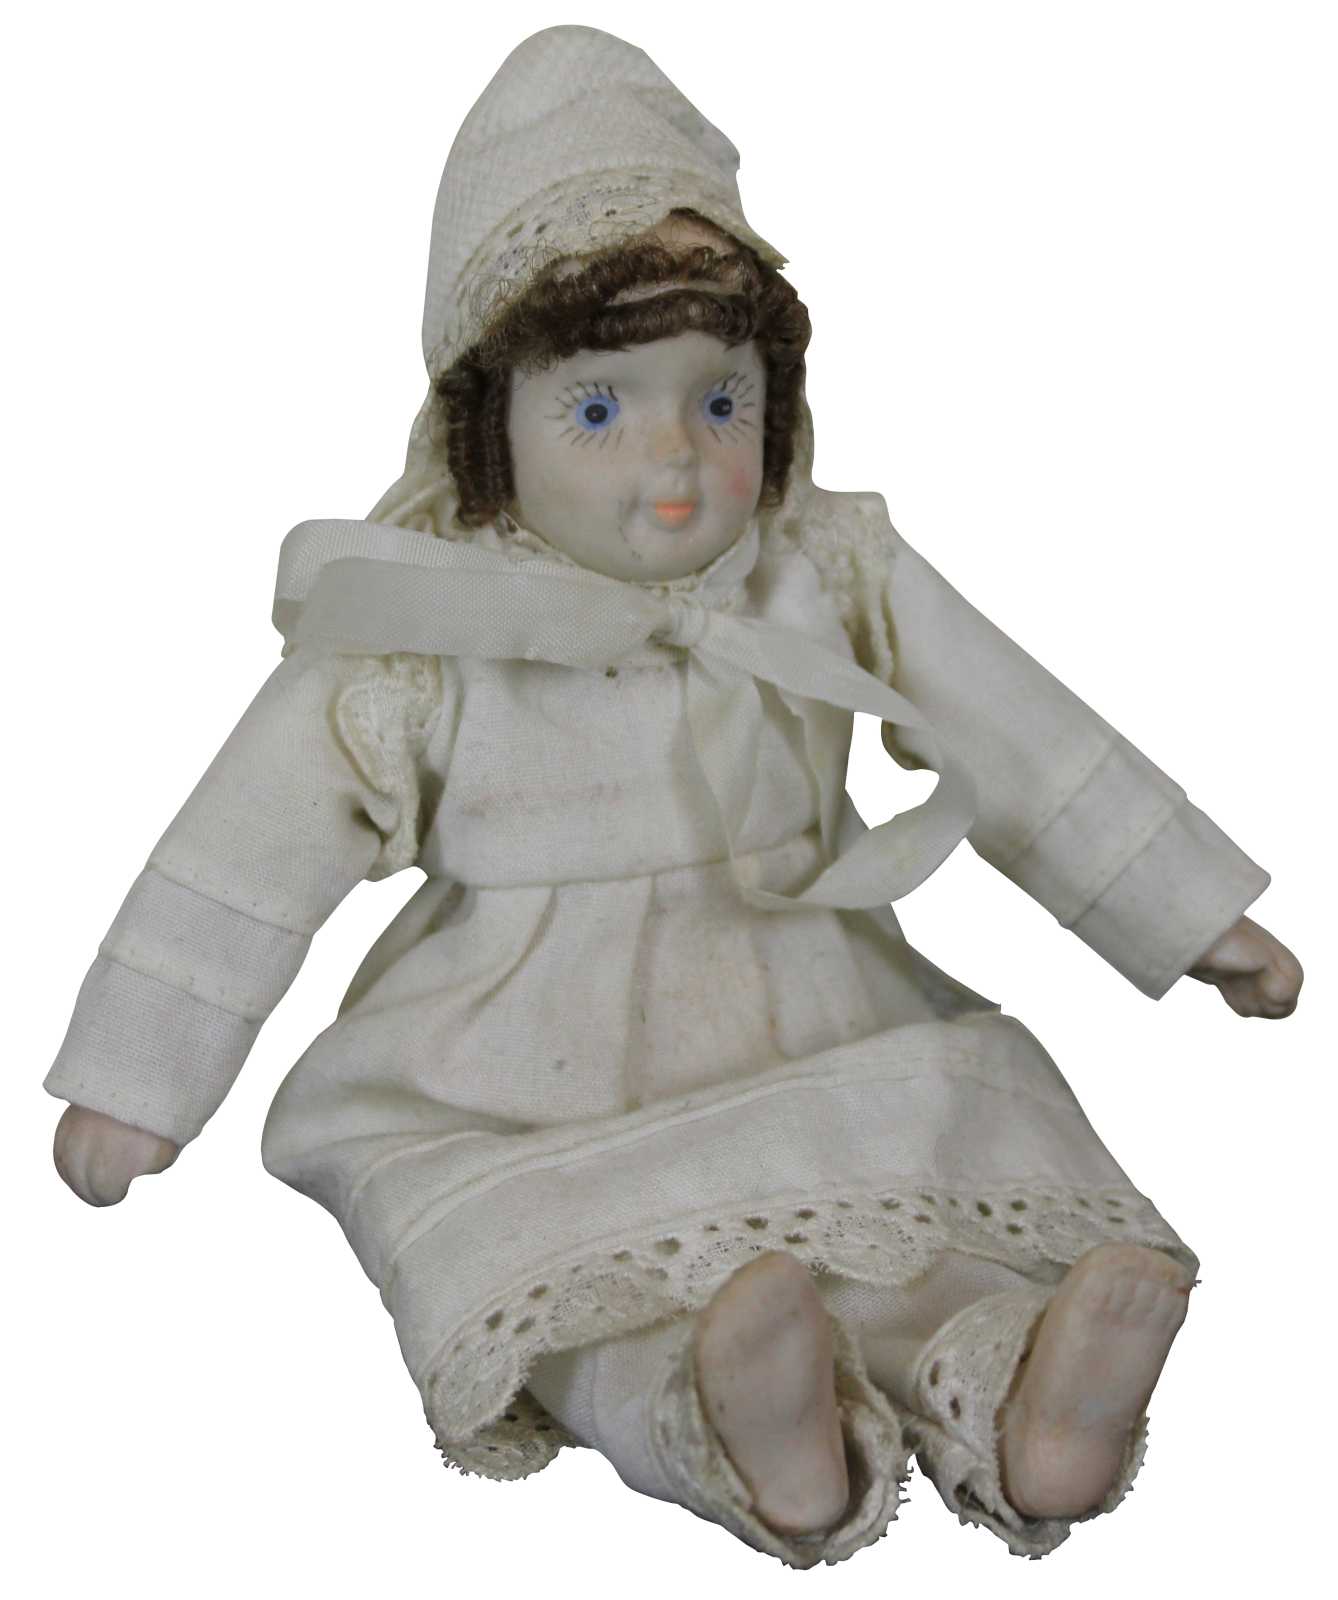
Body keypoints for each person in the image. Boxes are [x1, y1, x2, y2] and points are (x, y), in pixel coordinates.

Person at [47, 26, 1302, 1568]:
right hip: (510, 1063)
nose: (677, 467)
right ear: (486, 425)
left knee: (921, 1192)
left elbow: (1019, 729)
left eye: (720, 402)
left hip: (812, 1003)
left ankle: (1023, 1397)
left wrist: (1191, 913)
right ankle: (736, 1424)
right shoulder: (422, 622)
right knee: (566, 1283)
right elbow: (247, 849)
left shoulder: (819, 566)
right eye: (598, 411)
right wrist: (138, 1079)